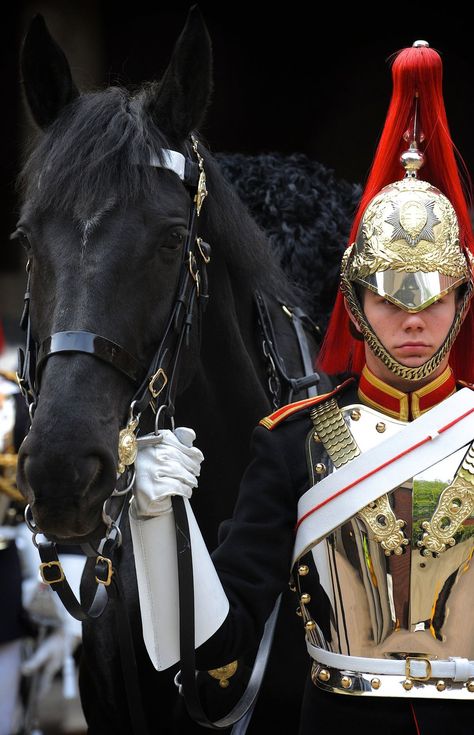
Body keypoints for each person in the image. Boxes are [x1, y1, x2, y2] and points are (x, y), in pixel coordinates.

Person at [130, 41, 474, 734]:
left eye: (433, 291)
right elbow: (210, 661)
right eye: (388, 290)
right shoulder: (294, 443)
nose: (412, 314)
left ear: (463, 298)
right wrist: (157, 522)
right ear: (354, 299)